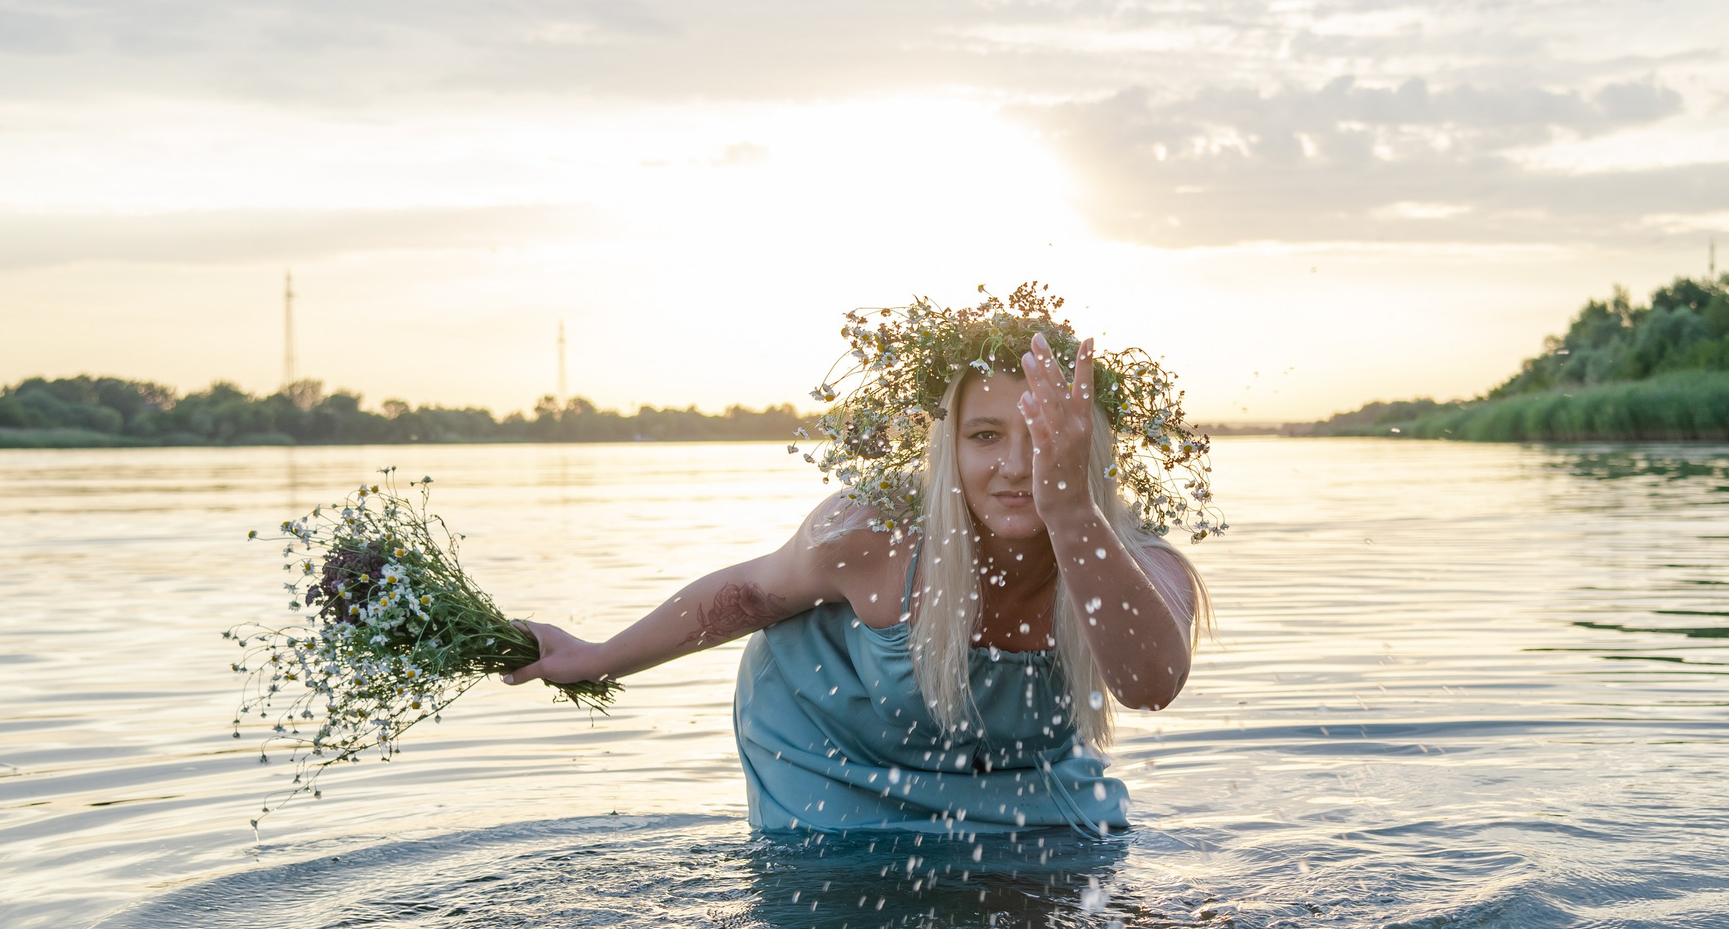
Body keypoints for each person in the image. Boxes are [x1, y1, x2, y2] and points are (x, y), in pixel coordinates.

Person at [504, 287, 1217, 838]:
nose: (1013, 466)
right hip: (833, 758)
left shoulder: (1142, 562)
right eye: (985, 435)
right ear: (950, 448)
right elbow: (749, 593)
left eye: (1040, 435)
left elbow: (1150, 685)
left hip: (1018, 778)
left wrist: (1068, 511)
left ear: (1085, 444)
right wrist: (594, 658)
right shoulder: (882, 533)